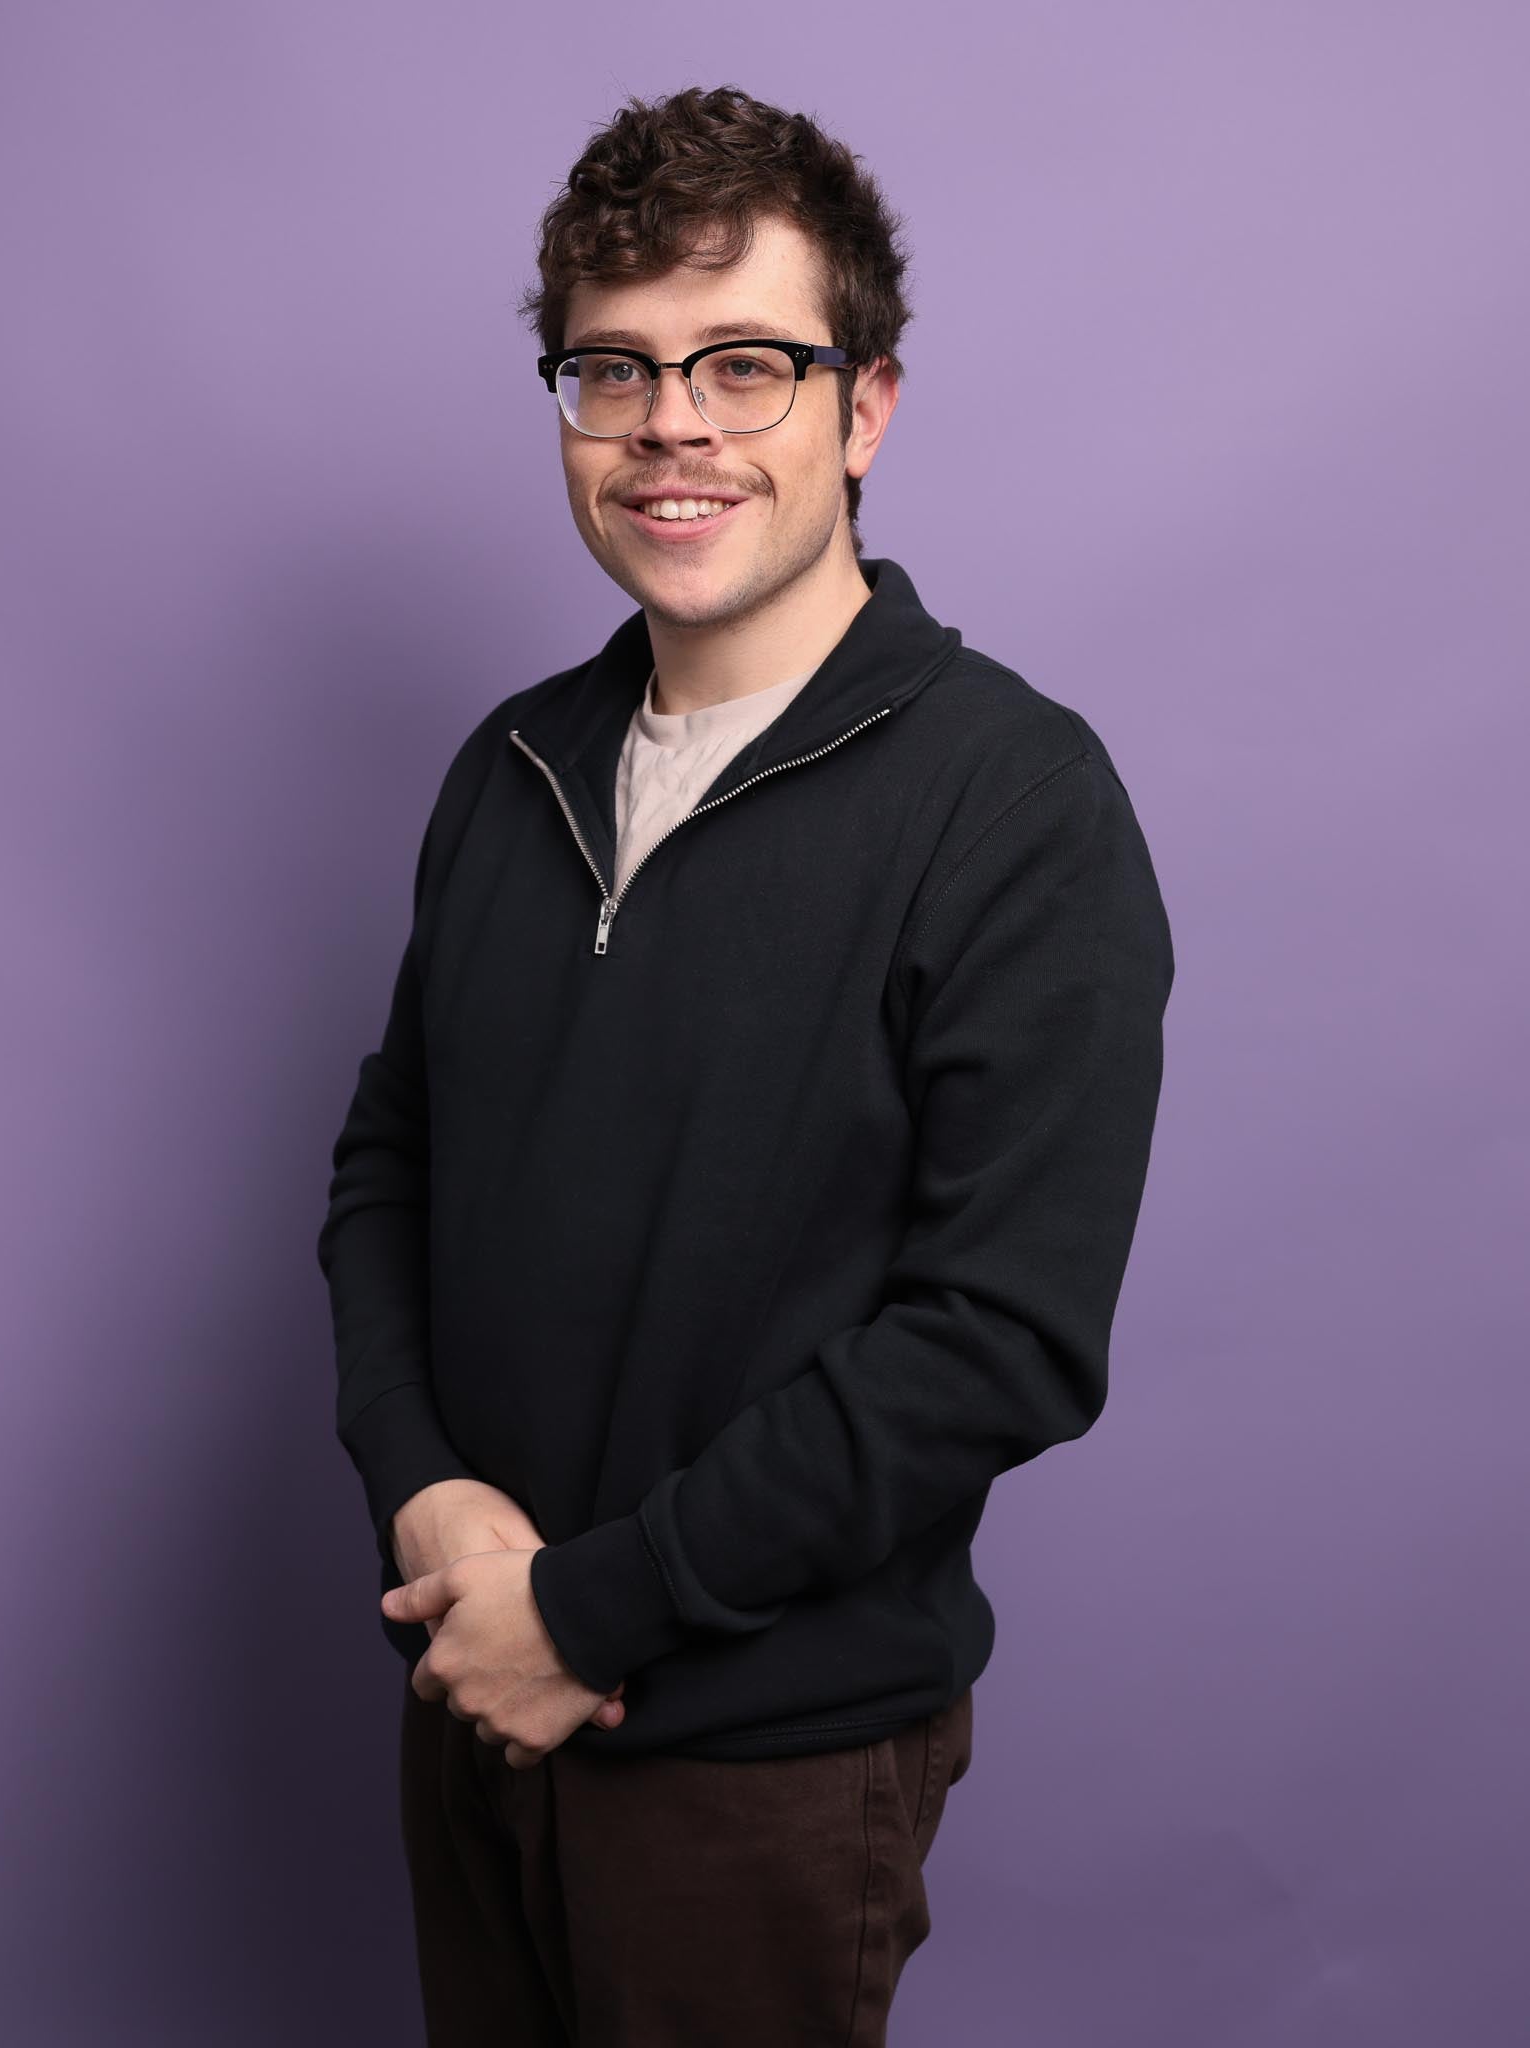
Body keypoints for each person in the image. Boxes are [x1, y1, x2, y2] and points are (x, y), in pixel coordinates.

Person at [315, 81, 1174, 2048]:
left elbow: (1000, 1337)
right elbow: (390, 1165)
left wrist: (594, 1610)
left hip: (760, 1765)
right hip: (470, 1688)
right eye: (611, 370)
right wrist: (422, 1489)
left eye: (743, 365)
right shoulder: (510, 766)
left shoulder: (1016, 801)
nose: (670, 426)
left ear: (864, 409)